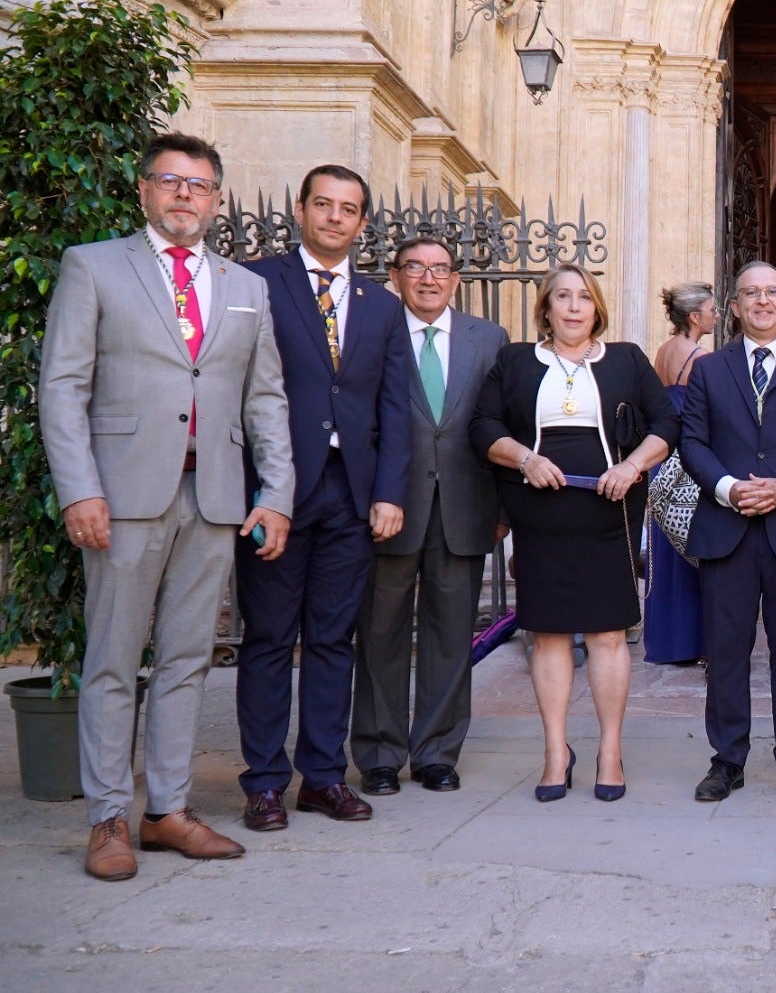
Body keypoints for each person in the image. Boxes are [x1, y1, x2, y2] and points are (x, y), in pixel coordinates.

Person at [39, 132, 294, 881]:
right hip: (122, 495)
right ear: (144, 190)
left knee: (187, 659)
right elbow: (63, 386)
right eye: (171, 181)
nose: (186, 195)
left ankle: (168, 810)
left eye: (201, 185)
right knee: (115, 660)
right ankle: (108, 817)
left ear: (217, 200)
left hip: (212, 496)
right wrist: (80, 487)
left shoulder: (245, 286)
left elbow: (265, 398)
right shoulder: (93, 265)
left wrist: (275, 492)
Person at [235, 164, 414, 832]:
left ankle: (323, 776)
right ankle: (262, 781)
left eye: (349, 209)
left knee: (334, 638)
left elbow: (395, 407)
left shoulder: (382, 305)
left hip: (352, 495)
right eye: (324, 205)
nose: (335, 217)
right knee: (270, 637)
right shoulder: (256, 282)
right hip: (276, 490)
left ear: (363, 223)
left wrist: (389, 491)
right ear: (300, 209)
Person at [470, 264, 676, 802]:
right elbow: (483, 427)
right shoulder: (515, 361)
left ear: (597, 307)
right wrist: (523, 459)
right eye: (562, 296)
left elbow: (667, 425)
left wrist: (632, 467)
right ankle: (556, 751)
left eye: (584, 297)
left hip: (610, 515)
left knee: (608, 634)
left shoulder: (628, 359)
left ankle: (610, 750)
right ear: (546, 307)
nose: (574, 306)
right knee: (551, 634)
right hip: (541, 517)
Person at [351, 236, 509, 796]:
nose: (428, 278)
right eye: (415, 267)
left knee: (449, 637)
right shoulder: (372, 329)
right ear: (395, 275)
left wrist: (504, 507)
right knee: (380, 634)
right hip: (388, 507)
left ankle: (438, 753)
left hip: (465, 507)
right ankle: (378, 754)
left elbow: (501, 424)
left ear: (457, 279)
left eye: (440, 268)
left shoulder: (488, 338)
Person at [679, 262, 776, 802]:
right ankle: (727, 760)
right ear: (735, 307)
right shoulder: (707, 369)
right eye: (751, 293)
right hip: (726, 526)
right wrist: (729, 488)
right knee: (726, 651)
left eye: (773, 292)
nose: (763, 302)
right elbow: (692, 442)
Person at [644, 281, 716, 666]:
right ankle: (698, 642)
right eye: (711, 309)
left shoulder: (663, 351)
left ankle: (668, 641)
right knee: (697, 546)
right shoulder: (701, 358)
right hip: (690, 460)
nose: (716, 315)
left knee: (664, 551)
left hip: (662, 455)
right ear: (694, 317)